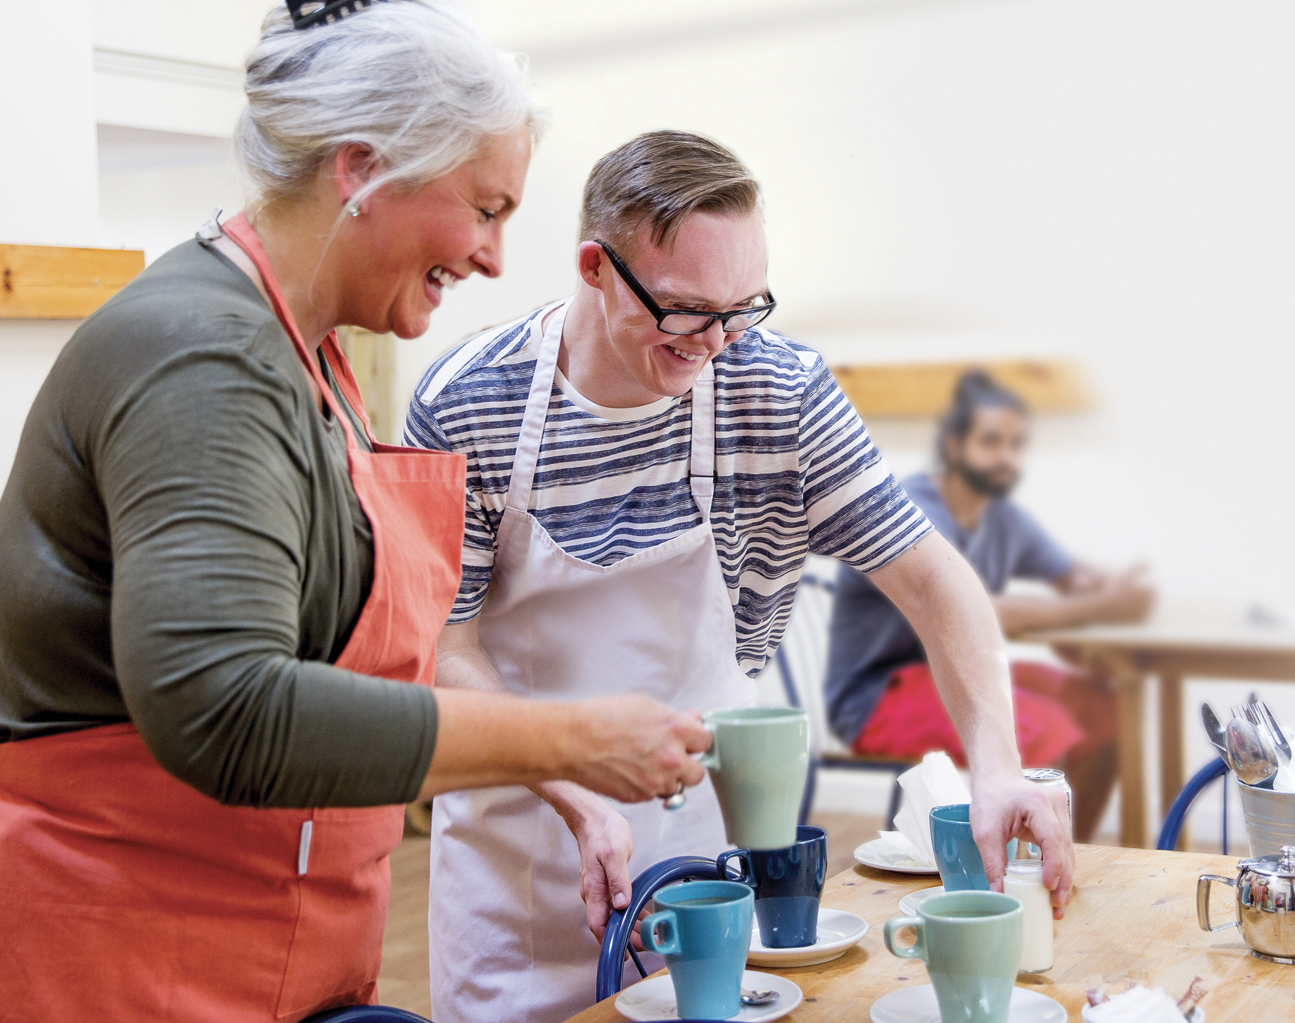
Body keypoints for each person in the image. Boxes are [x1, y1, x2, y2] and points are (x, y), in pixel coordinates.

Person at [0, 6, 710, 1021]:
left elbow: (346, 660)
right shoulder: (205, 361)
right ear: (360, 168)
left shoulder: (306, 354)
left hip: (268, 937)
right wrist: (562, 741)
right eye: (484, 207)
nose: (494, 258)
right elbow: (224, 708)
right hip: (134, 951)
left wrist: (565, 780)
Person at [406, 131, 1076, 1023]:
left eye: (741, 307)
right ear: (596, 268)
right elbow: (443, 643)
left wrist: (993, 765)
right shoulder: (468, 401)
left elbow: (933, 581)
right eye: (685, 310)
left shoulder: (775, 389)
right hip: (517, 854)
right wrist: (572, 789)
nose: (715, 343)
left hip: (697, 843)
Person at [825, 370, 1155, 840]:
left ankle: (1069, 851)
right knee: (1049, 727)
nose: (1006, 457)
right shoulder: (912, 505)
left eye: (1015, 444)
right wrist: (1102, 603)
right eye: (991, 442)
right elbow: (977, 609)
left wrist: (1109, 586)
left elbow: (1074, 577)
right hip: (879, 693)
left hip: (963, 672)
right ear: (954, 447)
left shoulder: (1003, 516)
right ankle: (1026, 877)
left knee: (1104, 709)